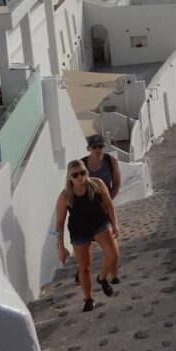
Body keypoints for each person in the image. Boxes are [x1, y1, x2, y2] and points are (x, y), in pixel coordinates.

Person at [55, 160, 120, 312]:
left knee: (113, 254)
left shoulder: (97, 185)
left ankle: (102, 278)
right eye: (75, 174)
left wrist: (115, 224)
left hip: (99, 223)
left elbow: (109, 204)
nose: (80, 177)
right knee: (84, 267)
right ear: (70, 177)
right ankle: (88, 298)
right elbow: (59, 223)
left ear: (87, 173)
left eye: (83, 173)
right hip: (79, 230)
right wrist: (61, 247)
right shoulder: (65, 196)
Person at [83, 134, 122, 282]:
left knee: (113, 245)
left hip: (105, 210)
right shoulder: (82, 166)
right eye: (95, 147)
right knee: (85, 247)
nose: (98, 149)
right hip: (87, 213)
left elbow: (116, 184)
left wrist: (107, 201)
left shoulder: (110, 161)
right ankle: (82, 272)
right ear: (89, 148)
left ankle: (114, 276)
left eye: (101, 146)